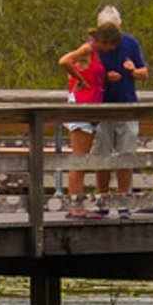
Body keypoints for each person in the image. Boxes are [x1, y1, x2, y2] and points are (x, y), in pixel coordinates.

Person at [86, 6, 147, 208]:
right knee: (101, 157)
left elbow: (144, 73)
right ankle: (102, 200)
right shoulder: (92, 46)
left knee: (125, 156)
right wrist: (104, 77)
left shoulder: (130, 43)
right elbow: (82, 74)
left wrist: (133, 71)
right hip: (100, 108)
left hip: (126, 106)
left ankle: (123, 202)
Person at [57, 33, 105, 217]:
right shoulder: (86, 49)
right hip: (80, 107)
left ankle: (77, 204)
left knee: (82, 159)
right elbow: (64, 61)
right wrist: (80, 79)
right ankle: (75, 207)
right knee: (79, 158)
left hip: (92, 108)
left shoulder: (100, 53)